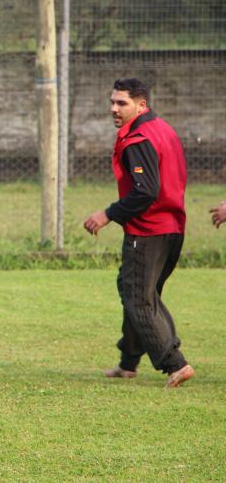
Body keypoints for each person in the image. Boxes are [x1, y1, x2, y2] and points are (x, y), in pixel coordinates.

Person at [83, 78, 194, 388]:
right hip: (172, 227)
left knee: (139, 298)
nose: (113, 109)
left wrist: (107, 214)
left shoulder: (138, 138)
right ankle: (128, 363)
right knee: (136, 291)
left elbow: (146, 191)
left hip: (148, 231)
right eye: (112, 102)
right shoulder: (162, 128)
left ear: (141, 105)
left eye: (122, 103)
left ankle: (176, 363)